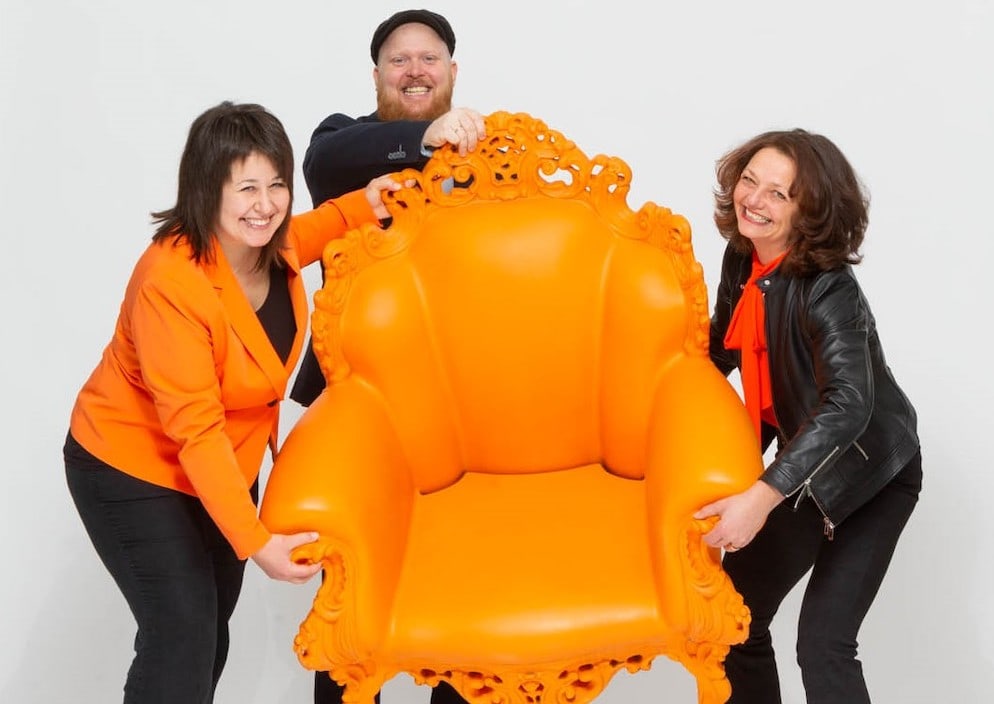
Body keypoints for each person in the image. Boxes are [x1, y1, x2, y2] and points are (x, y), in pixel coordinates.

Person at [63, 100, 403, 703]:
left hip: (226, 463)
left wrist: (368, 202)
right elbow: (195, 430)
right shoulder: (171, 282)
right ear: (206, 188)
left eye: (276, 185)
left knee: (208, 634)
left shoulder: (270, 245)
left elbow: (314, 229)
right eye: (246, 187)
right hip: (131, 466)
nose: (265, 204)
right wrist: (258, 543)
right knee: (181, 635)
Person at [694, 129, 922, 704]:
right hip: (809, 463)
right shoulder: (742, 257)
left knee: (823, 645)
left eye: (779, 193)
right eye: (750, 181)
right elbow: (721, 351)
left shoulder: (829, 288)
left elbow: (848, 404)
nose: (754, 200)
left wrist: (760, 497)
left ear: (810, 210)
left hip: (873, 473)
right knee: (735, 620)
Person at [290, 8, 485, 408]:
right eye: (399, 60)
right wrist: (423, 136)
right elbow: (324, 160)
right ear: (377, 77)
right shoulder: (340, 137)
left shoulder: (485, 154)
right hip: (354, 374)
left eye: (429, 59)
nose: (415, 71)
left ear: (452, 72)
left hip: (462, 377)